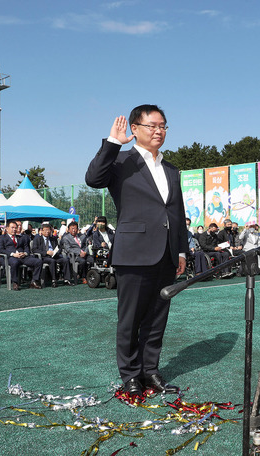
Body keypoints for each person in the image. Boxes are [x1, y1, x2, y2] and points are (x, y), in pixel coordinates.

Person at [85, 104, 187, 395]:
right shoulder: (121, 162)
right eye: (152, 126)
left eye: (163, 126)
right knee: (130, 318)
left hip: (167, 253)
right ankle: (130, 375)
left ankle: (151, 371)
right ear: (135, 129)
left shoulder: (171, 169)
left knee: (157, 317)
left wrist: (180, 251)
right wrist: (113, 144)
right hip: (133, 251)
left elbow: (177, 212)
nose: (159, 131)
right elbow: (93, 179)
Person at [0, 219, 43, 290]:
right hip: (11, 257)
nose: (14, 229)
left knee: (38, 262)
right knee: (15, 262)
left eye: (15, 227)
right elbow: (1, 250)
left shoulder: (21, 238)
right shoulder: (2, 238)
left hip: (23, 257)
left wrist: (25, 253)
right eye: (12, 228)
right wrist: (13, 254)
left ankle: (34, 281)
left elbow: (27, 248)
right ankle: (15, 282)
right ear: (7, 228)